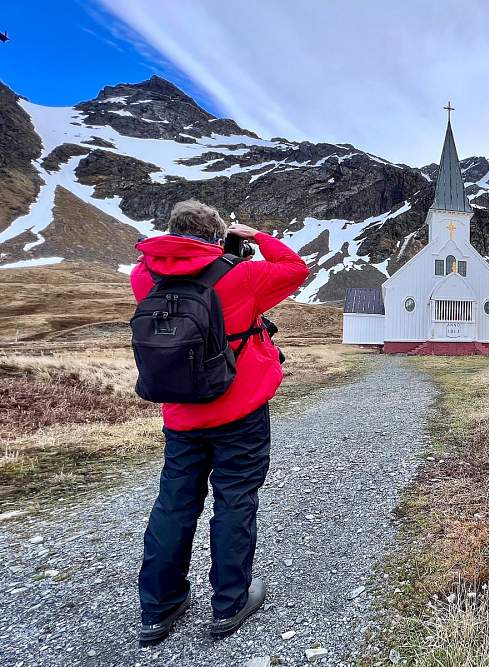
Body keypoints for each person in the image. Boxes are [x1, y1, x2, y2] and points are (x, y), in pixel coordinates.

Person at [130, 200, 309, 646]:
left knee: (174, 504)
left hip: (181, 415)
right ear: (216, 237)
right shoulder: (242, 276)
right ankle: (229, 603)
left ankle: (159, 608)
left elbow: (169, 263)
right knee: (235, 501)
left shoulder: (144, 276)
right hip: (240, 412)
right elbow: (295, 268)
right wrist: (254, 237)